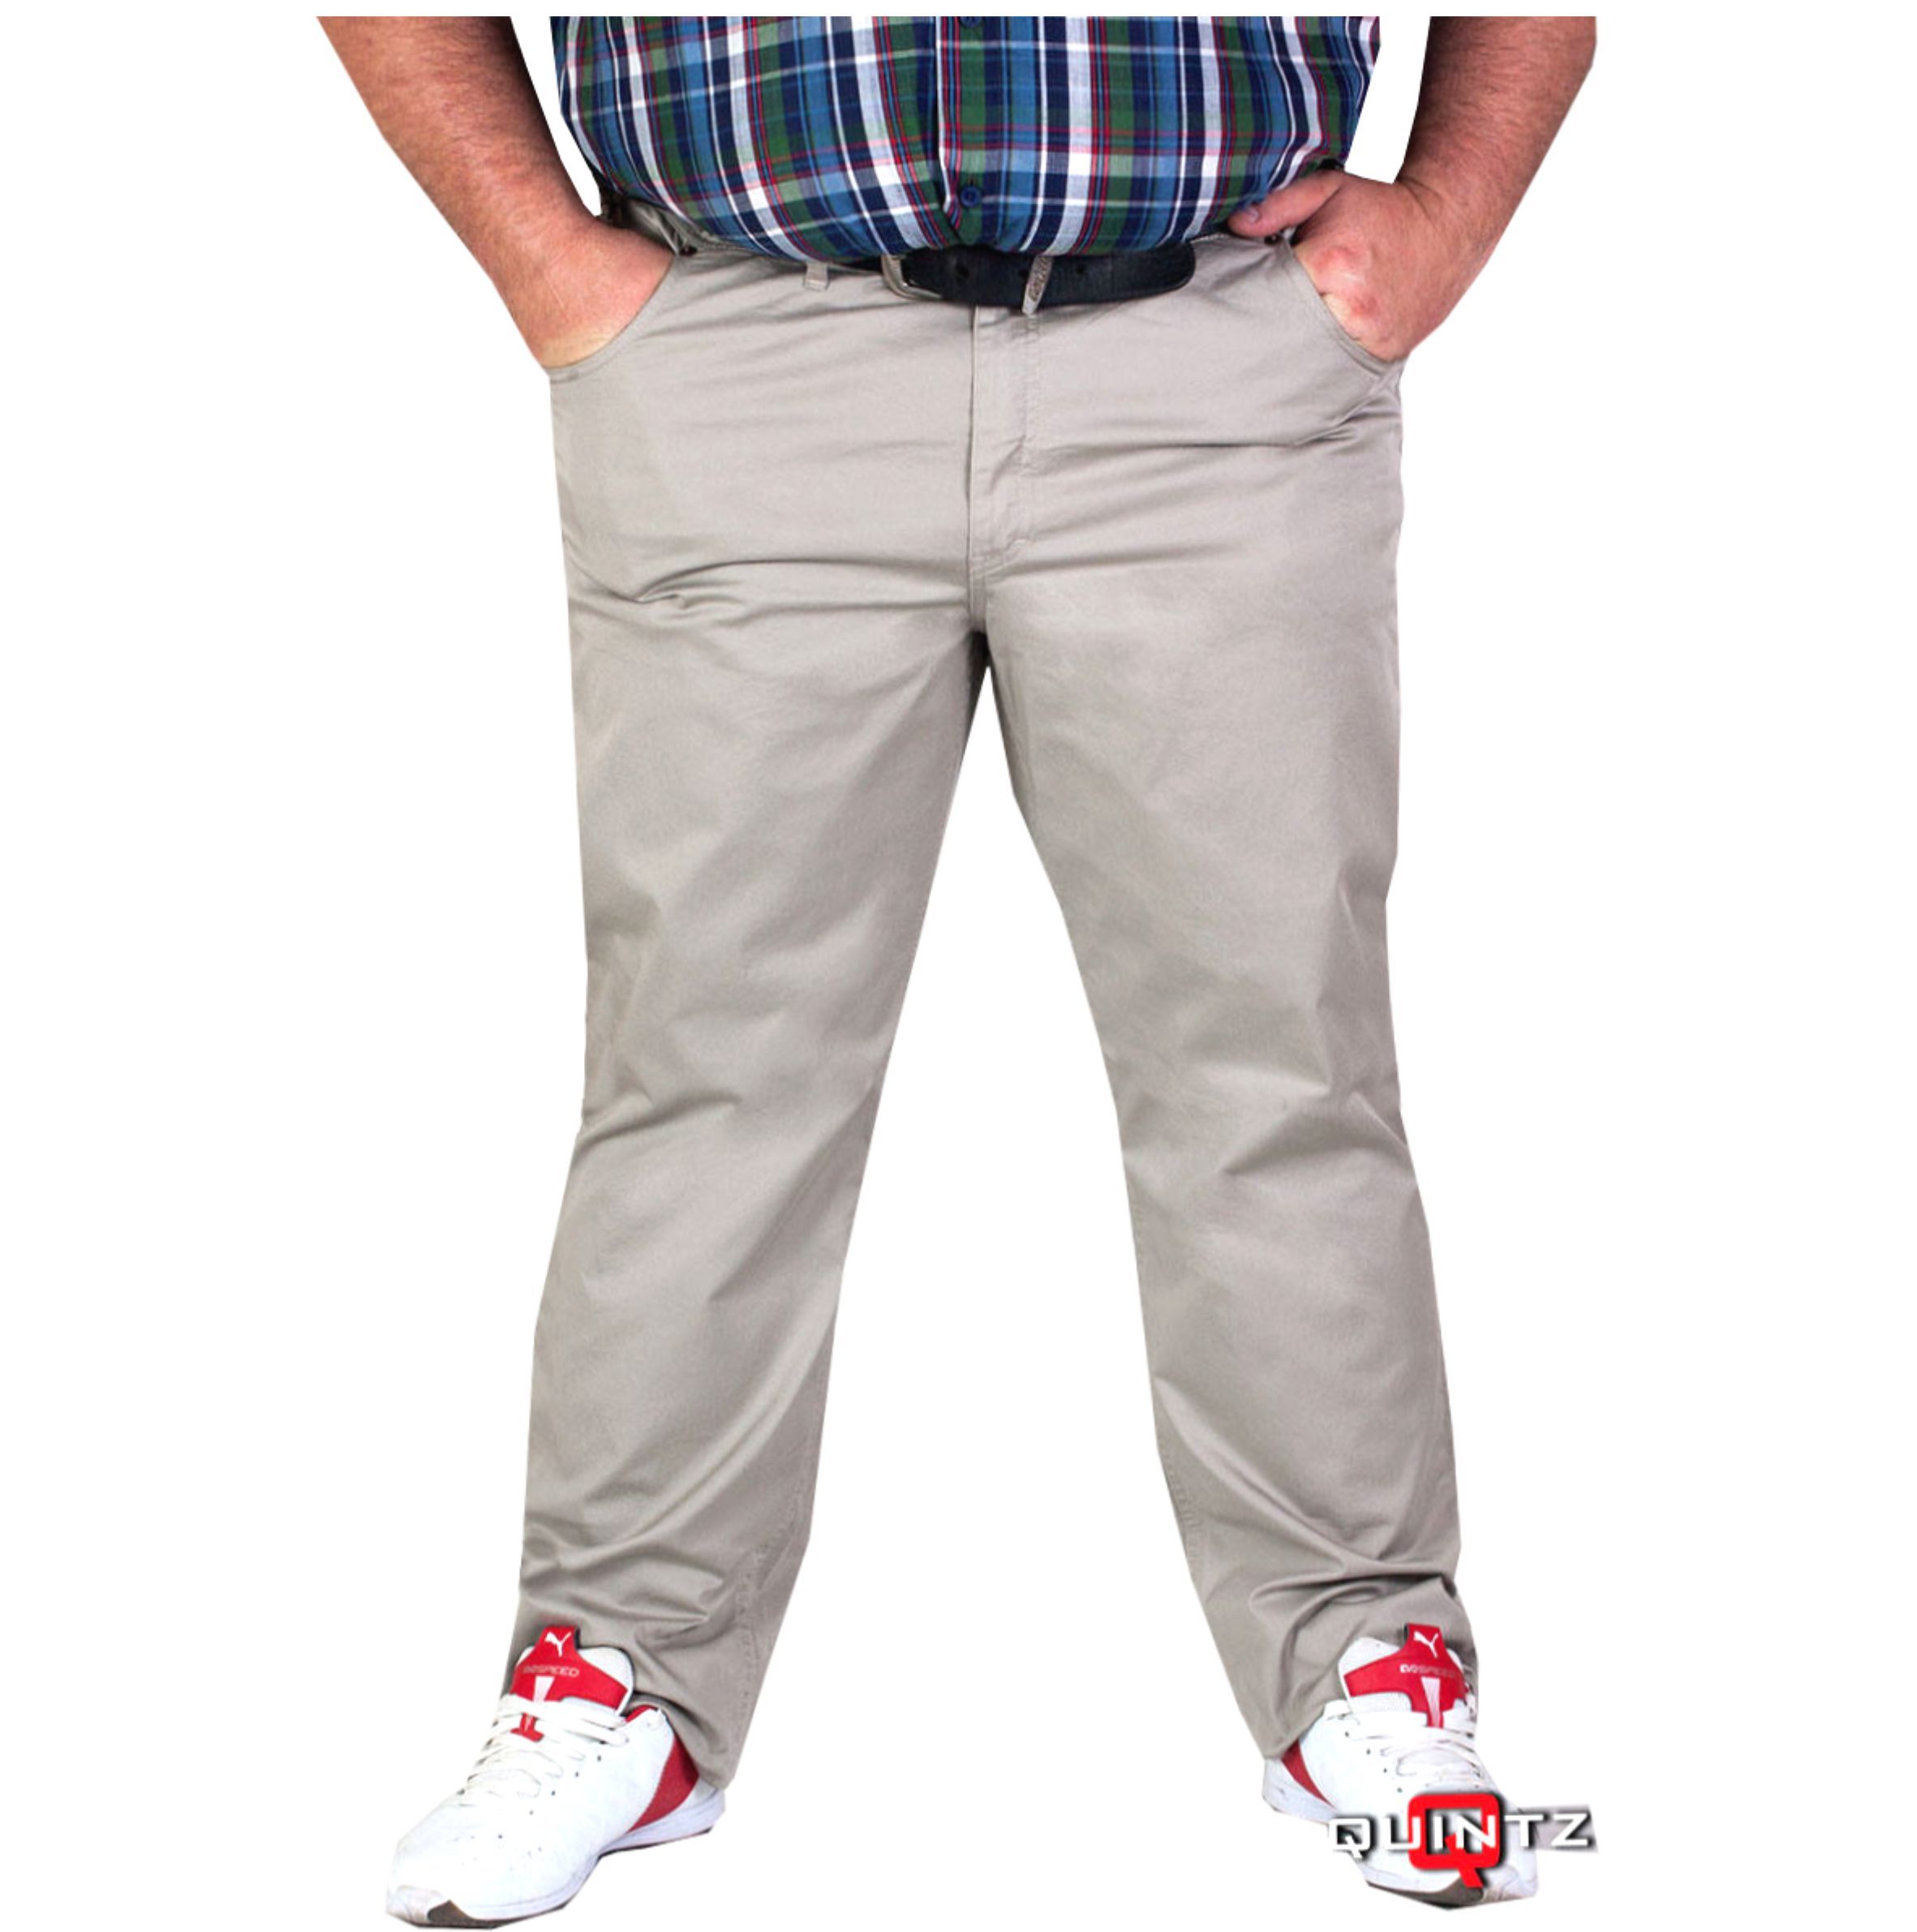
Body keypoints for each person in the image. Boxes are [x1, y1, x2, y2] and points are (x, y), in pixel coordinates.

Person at [322, 15, 1593, 1922]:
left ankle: (1361, 1659)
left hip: (1213, 359)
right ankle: (621, 1681)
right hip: (743, 363)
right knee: (707, 1079)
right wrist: (545, 259)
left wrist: (1450, 216)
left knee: (1273, 1062)